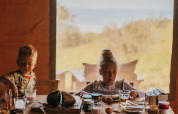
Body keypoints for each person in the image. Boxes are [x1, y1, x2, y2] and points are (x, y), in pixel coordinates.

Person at [74, 49, 144, 98]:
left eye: (114, 72)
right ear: (101, 72)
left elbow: (143, 94)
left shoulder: (121, 85)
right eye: (107, 72)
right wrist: (82, 94)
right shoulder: (94, 86)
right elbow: (76, 95)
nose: (111, 75)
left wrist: (136, 93)